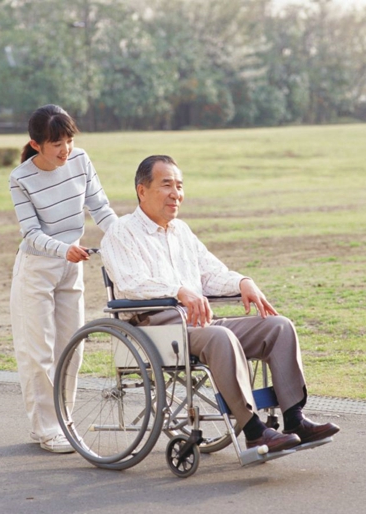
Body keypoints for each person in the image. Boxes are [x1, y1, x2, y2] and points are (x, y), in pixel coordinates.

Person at [100, 154, 339, 453]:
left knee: (279, 327)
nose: (176, 194)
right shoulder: (121, 232)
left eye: (180, 186)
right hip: (157, 328)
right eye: (167, 185)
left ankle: (294, 418)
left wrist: (242, 282)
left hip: (199, 325)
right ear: (142, 190)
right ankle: (254, 430)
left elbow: (212, 273)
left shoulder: (181, 232)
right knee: (220, 336)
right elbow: (132, 283)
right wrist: (180, 290)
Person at [9, 104, 117, 453]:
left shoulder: (81, 161)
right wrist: (62, 249)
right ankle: (45, 428)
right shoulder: (20, 179)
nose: (65, 149)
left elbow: (100, 208)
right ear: (36, 144)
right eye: (56, 143)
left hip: (71, 265)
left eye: (68, 139)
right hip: (36, 269)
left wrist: (125, 238)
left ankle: (62, 422)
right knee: (37, 352)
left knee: (73, 348)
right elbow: (30, 233)